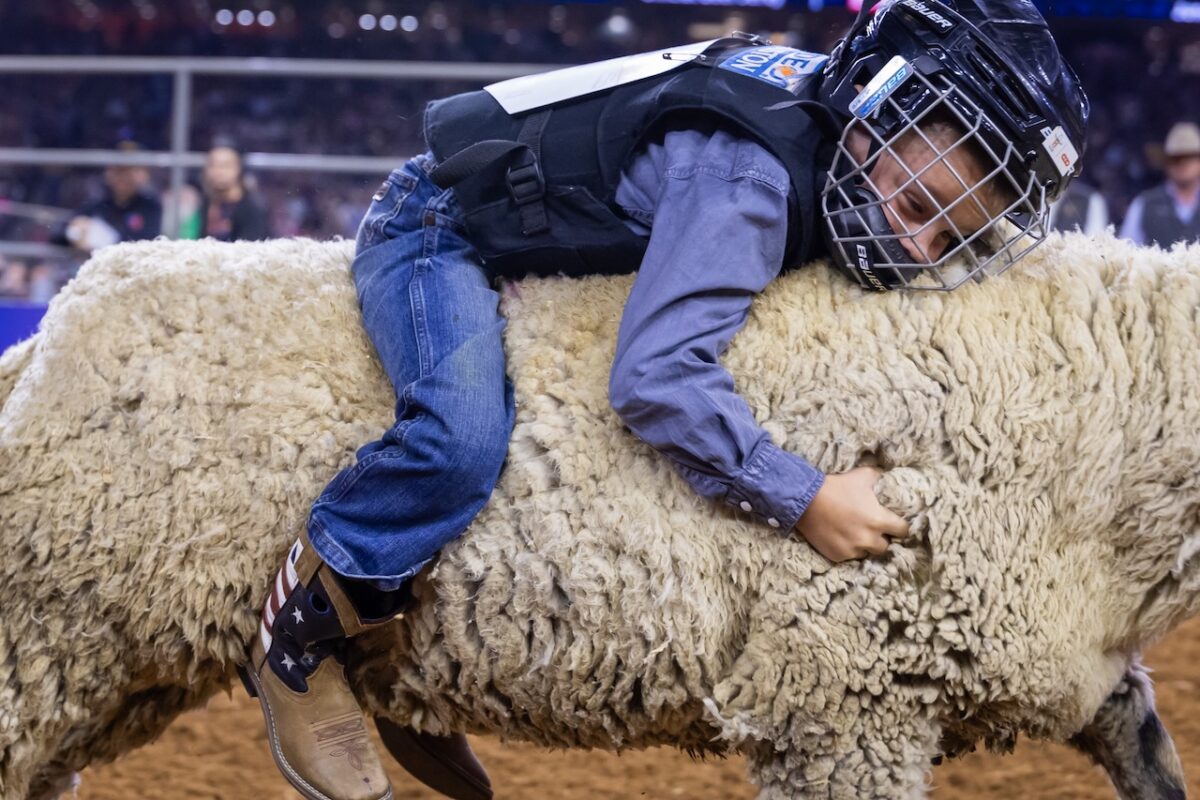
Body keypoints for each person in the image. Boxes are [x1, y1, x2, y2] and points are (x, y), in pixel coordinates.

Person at [237, 3, 1088, 799]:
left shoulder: (825, 119)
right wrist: (805, 497)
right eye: (917, 206)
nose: (916, 247)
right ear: (872, 110)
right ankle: (299, 642)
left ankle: (394, 677)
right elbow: (654, 377)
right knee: (459, 440)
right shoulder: (751, 184)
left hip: (546, 227)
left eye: (949, 239)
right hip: (440, 224)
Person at [59, 140, 161, 253]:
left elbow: (147, 242)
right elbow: (60, 234)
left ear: (143, 174)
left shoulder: (150, 206)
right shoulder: (98, 204)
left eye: (130, 170)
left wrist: (101, 242)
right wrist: (75, 232)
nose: (123, 177)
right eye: (118, 170)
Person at [1119, 121, 1200, 247]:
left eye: (1189, 157)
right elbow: (1125, 252)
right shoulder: (1145, 203)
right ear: (1166, 162)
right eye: (1176, 158)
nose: (1183, 163)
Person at [199, 145, 271, 241]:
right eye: (212, 165)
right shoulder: (205, 203)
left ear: (239, 168)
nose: (218, 171)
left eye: (225, 166)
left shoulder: (252, 209)